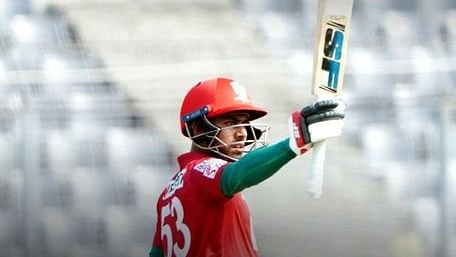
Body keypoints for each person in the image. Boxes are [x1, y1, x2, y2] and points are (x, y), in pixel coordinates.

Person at [149, 77, 345, 257]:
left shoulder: (166, 194)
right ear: (197, 128)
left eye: (244, 123)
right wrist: (294, 142)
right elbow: (236, 175)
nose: (242, 133)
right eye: (230, 122)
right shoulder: (203, 172)